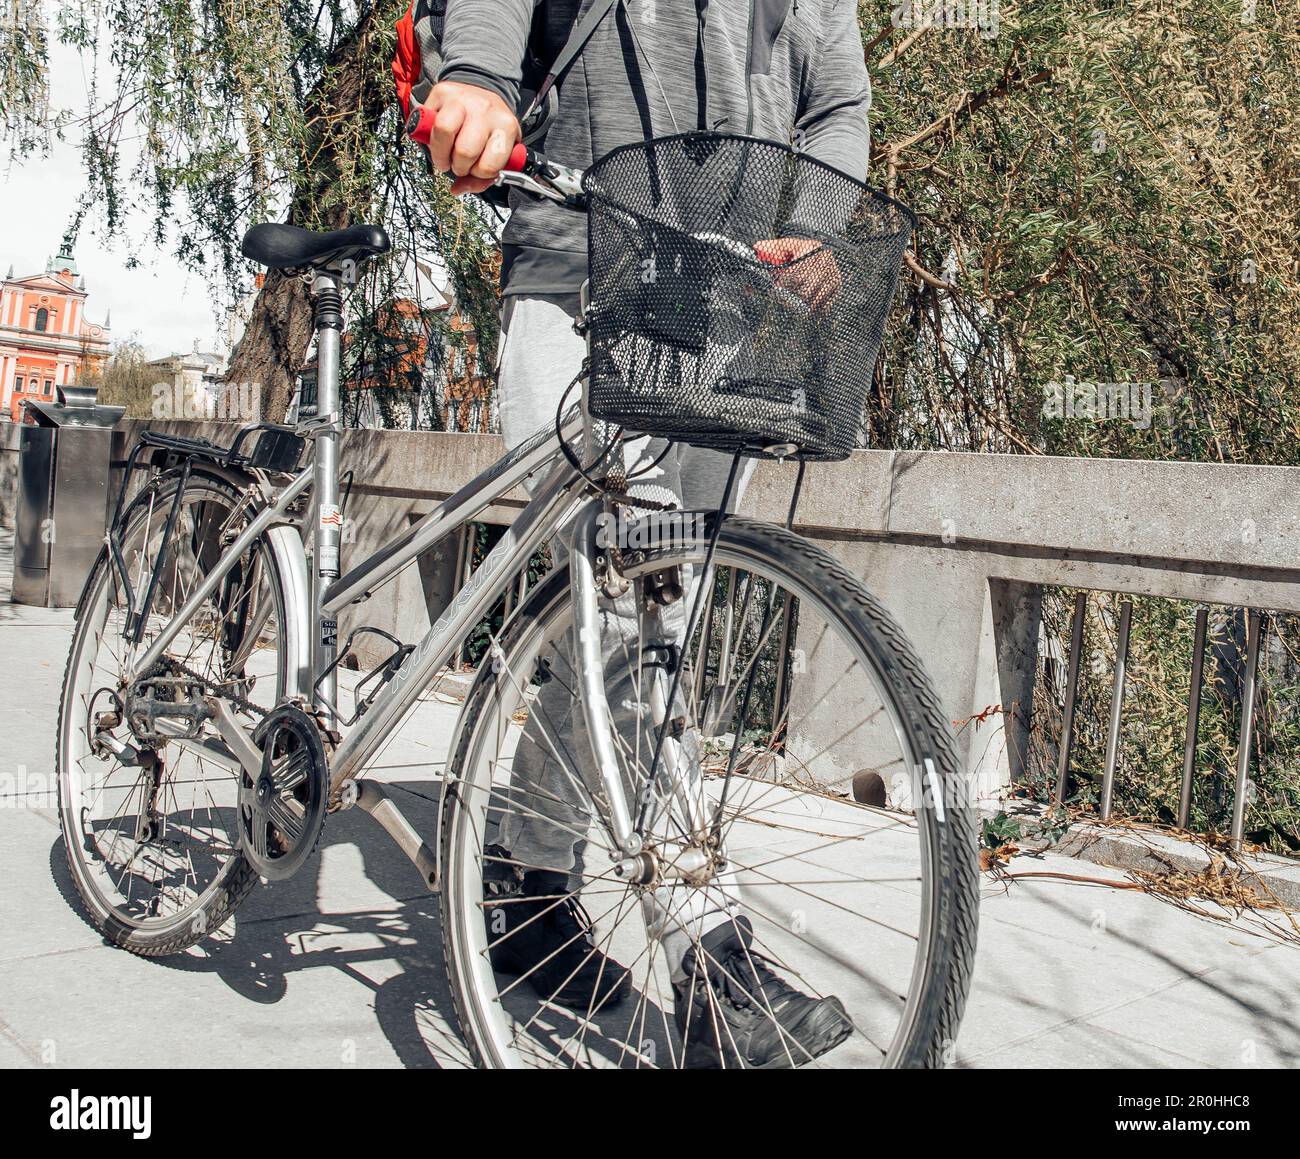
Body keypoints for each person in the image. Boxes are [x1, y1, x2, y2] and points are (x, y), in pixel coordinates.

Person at [421, 0, 872, 1068]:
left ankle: (528, 896)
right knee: (625, 612)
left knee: (648, 626)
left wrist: (817, 221)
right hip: (579, 267)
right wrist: (480, 75)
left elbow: (838, 97)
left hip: (726, 301)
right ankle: (713, 953)